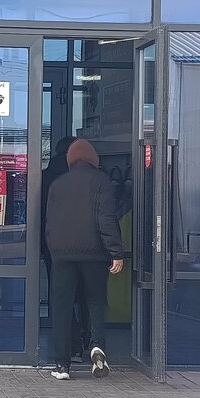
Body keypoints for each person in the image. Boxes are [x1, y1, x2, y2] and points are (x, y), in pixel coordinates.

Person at [44, 138, 124, 380]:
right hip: (94, 254)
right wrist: (115, 252)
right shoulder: (101, 181)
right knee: (95, 301)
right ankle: (97, 346)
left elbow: (50, 223)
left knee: (61, 306)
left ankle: (62, 365)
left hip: (62, 255)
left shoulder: (58, 184)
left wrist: (53, 249)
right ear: (93, 159)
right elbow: (106, 220)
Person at [41, 137, 90, 362]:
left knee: (62, 296)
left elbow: (41, 214)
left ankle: (71, 346)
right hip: (86, 246)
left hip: (54, 246)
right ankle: (91, 341)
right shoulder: (88, 178)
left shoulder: (44, 178)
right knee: (88, 295)